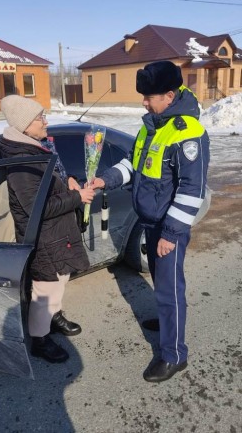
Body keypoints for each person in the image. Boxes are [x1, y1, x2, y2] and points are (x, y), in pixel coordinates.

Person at [92, 61, 210, 382]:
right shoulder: (151, 125)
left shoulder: (189, 133)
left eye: (149, 96)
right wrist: (105, 180)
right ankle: (166, 319)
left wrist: (171, 234)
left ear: (169, 96)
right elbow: (133, 162)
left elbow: (191, 190)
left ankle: (173, 355)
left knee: (170, 289)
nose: (143, 102)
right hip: (151, 222)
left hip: (169, 226)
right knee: (163, 286)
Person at [0, 94, 95, 364]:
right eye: (40, 117)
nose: (45, 121)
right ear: (24, 124)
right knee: (44, 290)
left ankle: (54, 317)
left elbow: (52, 184)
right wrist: (78, 198)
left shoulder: (35, 148)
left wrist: (70, 183)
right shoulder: (21, 163)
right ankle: (40, 340)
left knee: (58, 282)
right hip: (42, 239)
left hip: (56, 234)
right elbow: (36, 208)